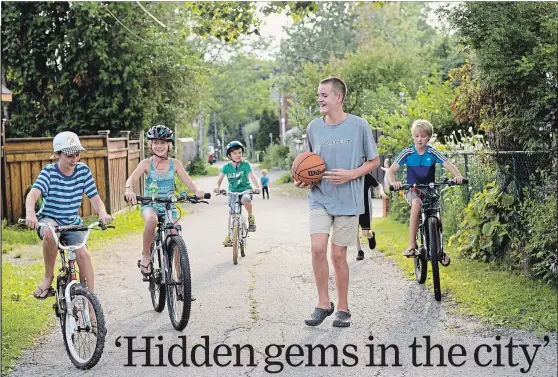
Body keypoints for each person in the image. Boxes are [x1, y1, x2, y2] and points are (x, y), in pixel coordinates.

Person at [295, 77, 380, 328]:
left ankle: (343, 307)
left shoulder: (359, 125)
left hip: (349, 200)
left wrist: (351, 174)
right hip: (320, 197)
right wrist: (304, 179)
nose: (319, 99)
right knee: (318, 248)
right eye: (318, 95)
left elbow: (374, 162)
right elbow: (310, 163)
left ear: (338, 97)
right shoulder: (313, 127)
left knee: (338, 255)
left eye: (324, 95)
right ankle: (323, 303)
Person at [24, 131, 112, 299]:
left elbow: (95, 198)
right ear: (57, 154)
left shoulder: (83, 171)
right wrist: (31, 214)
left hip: (72, 222)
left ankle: (91, 303)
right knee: (51, 231)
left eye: (77, 155)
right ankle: (48, 278)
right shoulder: (49, 172)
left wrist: (102, 213)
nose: (74, 159)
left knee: (83, 254)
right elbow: (33, 194)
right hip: (50, 218)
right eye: (69, 155)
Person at [124, 125, 204, 277]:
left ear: (169, 145)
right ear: (150, 145)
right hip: (151, 204)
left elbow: (191, 183)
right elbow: (132, 179)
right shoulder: (146, 164)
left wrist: (197, 190)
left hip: (168, 206)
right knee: (152, 221)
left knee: (175, 231)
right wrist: (129, 190)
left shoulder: (175, 164)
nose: (159, 146)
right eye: (155, 142)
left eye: (163, 142)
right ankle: (146, 256)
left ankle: (181, 277)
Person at [386, 119, 464, 264]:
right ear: (413, 137)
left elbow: (448, 164)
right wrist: (394, 183)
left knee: (436, 214)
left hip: (430, 189)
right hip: (413, 189)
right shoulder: (408, 152)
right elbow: (391, 171)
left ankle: (439, 250)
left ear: (428, 137)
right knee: (416, 203)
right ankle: (411, 245)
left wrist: (458, 176)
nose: (419, 139)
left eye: (422, 136)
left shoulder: (432, 152)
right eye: (416, 136)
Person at [214, 141, 261, 247]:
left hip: (245, 190)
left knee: (245, 199)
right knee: (231, 213)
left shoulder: (246, 164)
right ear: (229, 155)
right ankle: (230, 235)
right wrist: (217, 187)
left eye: (239, 152)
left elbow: (252, 176)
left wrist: (257, 187)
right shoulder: (226, 167)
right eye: (234, 153)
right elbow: (219, 179)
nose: (238, 155)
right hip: (232, 192)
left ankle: (250, 217)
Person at [356, 173, 387, 261]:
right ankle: (359, 251)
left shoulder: (365, 175)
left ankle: (371, 236)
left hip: (364, 209)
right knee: (354, 231)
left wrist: (381, 192)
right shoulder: (348, 174)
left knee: (365, 232)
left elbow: (378, 185)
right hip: (352, 208)